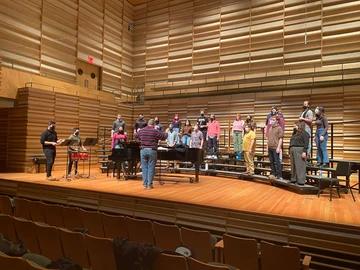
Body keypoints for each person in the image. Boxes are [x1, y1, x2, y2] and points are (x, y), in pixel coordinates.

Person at [135, 119, 168, 190]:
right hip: (152, 150)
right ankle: (149, 185)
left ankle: (145, 184)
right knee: (151, 168)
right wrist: (166, 132)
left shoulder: (142, 130)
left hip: (143, 150)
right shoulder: (155, 131)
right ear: (154, 125)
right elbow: (163, 137)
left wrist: (136, 131)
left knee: (144, 168)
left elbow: (136, 135)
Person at [266, 116, 284, 180]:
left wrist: (278, 148)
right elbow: (268, 138)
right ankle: (273, 173)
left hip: (275, 147)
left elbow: (280, 139)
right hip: (270, 147)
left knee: (277, 161)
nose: (272, 121)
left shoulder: (279, 128)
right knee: (271, 162)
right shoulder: (270, 128)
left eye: (273, 120)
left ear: (277, 121)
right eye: (271, 120)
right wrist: (267, 147)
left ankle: (279, 175)